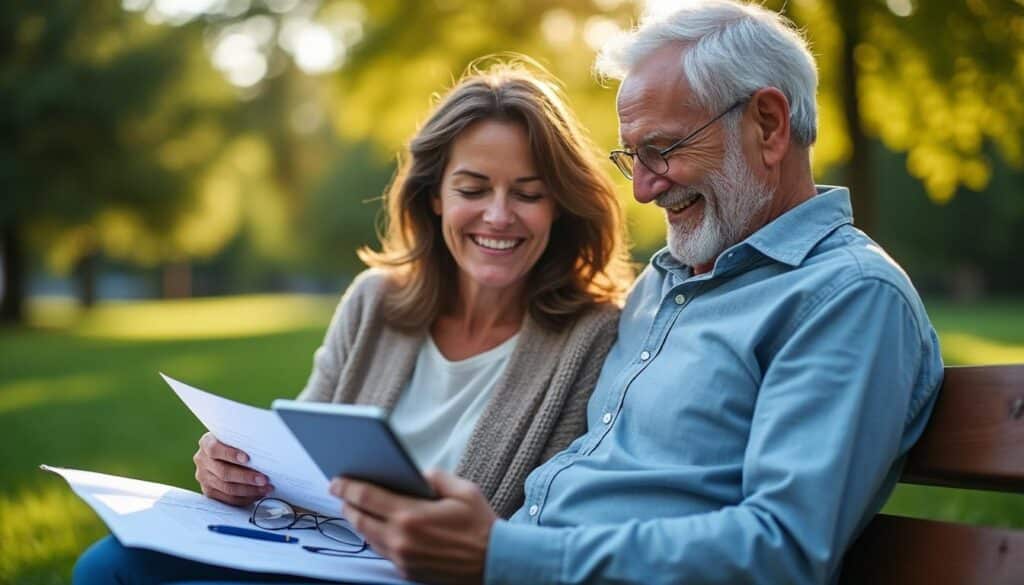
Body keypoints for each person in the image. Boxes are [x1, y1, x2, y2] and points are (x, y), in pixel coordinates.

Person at [327, 3, 945, 585]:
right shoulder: (663, 284)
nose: (644, 189)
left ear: (769, 124)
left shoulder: (847, 297)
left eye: (664, 149)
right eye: (633, 157)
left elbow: (780, 548)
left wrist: (501, 553)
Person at [72, 58, 632, 583]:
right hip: (310, 550)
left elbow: (548, 521)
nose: (498, 215)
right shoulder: (376, 302)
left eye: (528, 194)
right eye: (472, 189)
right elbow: (295, 460)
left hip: (421, 576)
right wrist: (237, 473)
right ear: (434, 196)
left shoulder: (592, 334)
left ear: (558, 204)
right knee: (110, 566)